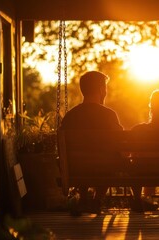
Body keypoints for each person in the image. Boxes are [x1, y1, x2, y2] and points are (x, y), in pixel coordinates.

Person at [60, 70, 123, 214]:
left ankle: (83, 198)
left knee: (85, 161)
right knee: (111, 161)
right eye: (105, 89)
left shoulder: (70, 116)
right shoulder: (108, 115)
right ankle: (97, 200)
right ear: (101, 90)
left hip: (76, 168)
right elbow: (121, 141)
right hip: (105, 168)